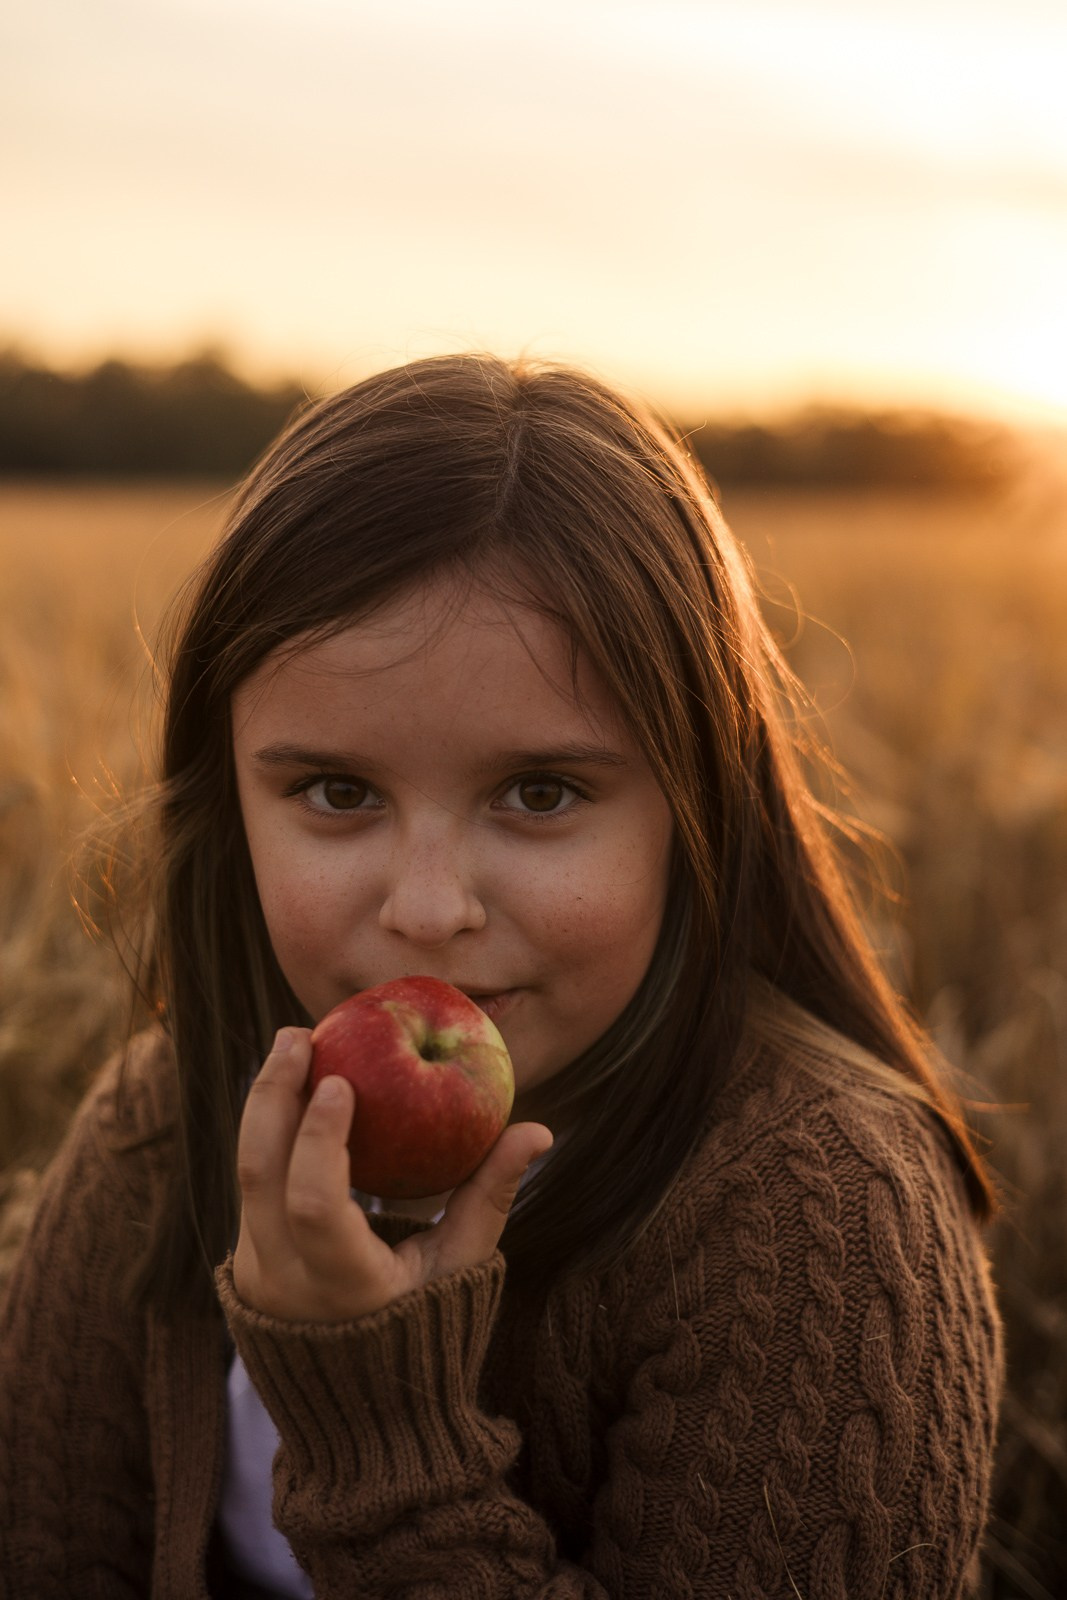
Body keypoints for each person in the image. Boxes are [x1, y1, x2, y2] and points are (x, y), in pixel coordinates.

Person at [0, 354, 1003, 1598]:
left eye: (539, 793)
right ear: (231, 804)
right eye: (336, 792)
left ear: (700, 810)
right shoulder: (166, 1123)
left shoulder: (817, 1220)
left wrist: (377, 1420)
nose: (427, 910)